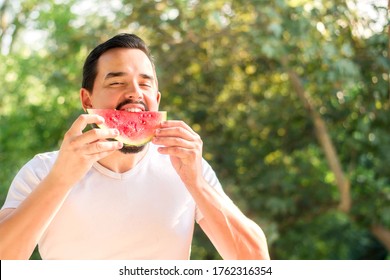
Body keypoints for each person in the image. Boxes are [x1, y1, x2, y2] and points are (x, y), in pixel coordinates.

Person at [0, 33, 269, 260]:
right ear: (86, 98)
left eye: (145, 84)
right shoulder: (42, 170)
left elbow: (256, 261)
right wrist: (60, 179)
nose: (135, 93)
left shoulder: (187, 167)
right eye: (116, 82)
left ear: (157, 98)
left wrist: (197, 183)